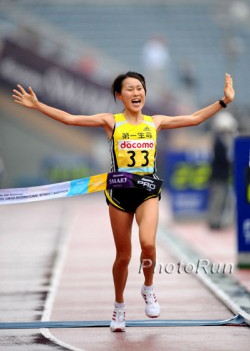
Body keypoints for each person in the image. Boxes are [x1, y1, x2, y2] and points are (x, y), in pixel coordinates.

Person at [12, 71, 235, 332]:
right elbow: (71, 119)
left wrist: (224, 102)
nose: (136, 93)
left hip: (147, 191)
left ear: (145, 93)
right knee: (123, 256)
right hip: (119, 194)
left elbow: (195, 119)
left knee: (148, 245)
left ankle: (148, 288)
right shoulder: (111, 122)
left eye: (139, 88)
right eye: (129, 89)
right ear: (119, 96)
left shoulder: (156, 122)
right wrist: (38, 105)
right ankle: (118, 307)